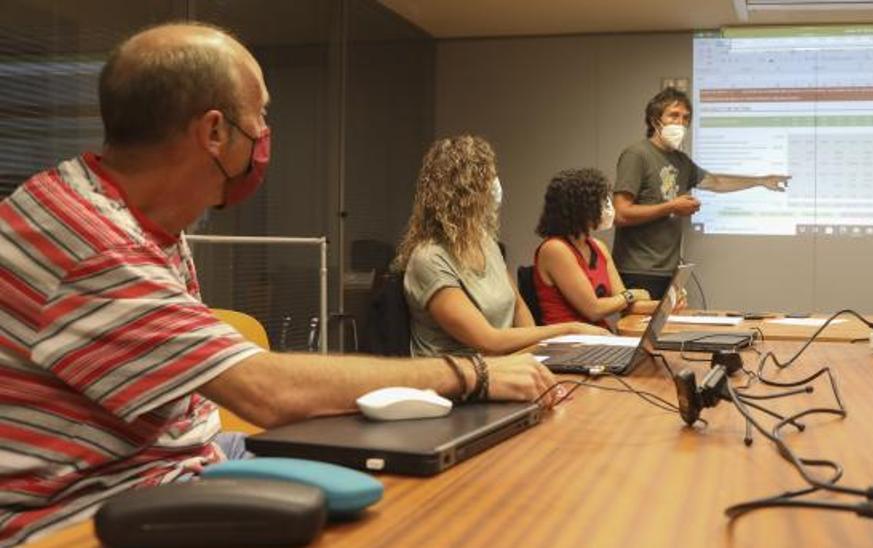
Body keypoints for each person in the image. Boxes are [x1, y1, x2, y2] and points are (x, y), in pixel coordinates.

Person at [0, 23, 554, 545]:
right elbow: (266, 392)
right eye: (259, 116)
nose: (265, 135)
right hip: (89, 512)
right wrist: (471, 373)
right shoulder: (94, 244)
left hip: (185, 460)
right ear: (215, 131)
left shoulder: (142, 219)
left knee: (443, 487)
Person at [393, 136, 609, 358]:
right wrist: (569, 330)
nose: (496, 185)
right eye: (488, 177)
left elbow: (517, 306)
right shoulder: (429, 260)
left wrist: (540, 356)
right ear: (465, 193)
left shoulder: (486, 243)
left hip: (504, 366)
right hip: (462, 380)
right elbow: (489, 340)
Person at [612, 88, 791, 300]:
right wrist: (671, 207)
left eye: (685, 118)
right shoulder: (637, 154)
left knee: (666, 329)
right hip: (638, 268)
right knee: (638, 330)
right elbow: (620, 213)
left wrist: (760, 181)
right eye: (673, 115)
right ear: (654, 120)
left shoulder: (680, 160)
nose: (680, 123)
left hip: (668, 269)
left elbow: (716, 182)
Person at [533, 168, 660, 327]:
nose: (607, 207)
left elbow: (625, 304)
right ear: (579, 208)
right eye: (600, 201)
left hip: (597, 335)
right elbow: (593, 310)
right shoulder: (555, 249)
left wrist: (665, 304)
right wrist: (632, 295)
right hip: (567, 341)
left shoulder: (598, 247)